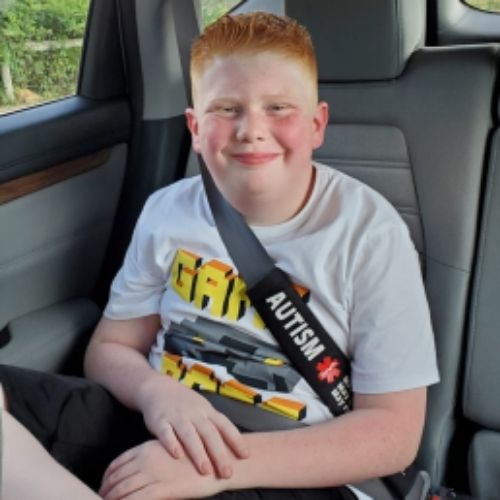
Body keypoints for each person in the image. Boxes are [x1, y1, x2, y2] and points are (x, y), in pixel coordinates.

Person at [0, 12, 439, 500]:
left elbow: (393, 435)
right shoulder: (168, 212)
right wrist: (159, 395)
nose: (251, 129)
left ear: (317, 125)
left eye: (278, 108)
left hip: (286, 463)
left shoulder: (369, 234)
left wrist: (219, 469)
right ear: (194, 126)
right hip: (161, 423)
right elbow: (110, 348)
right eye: (226, 109)